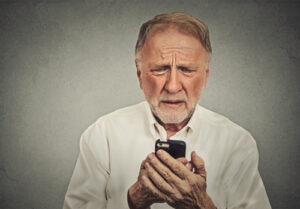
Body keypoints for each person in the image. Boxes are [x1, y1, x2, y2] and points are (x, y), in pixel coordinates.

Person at [63, 12, 271, 209]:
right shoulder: (103, 134)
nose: (172, 86)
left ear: (205, 76)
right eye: (160, 69)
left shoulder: (237, 142)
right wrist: (132, 201)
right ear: (139, 74)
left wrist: (201, 205)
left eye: (186, 70)